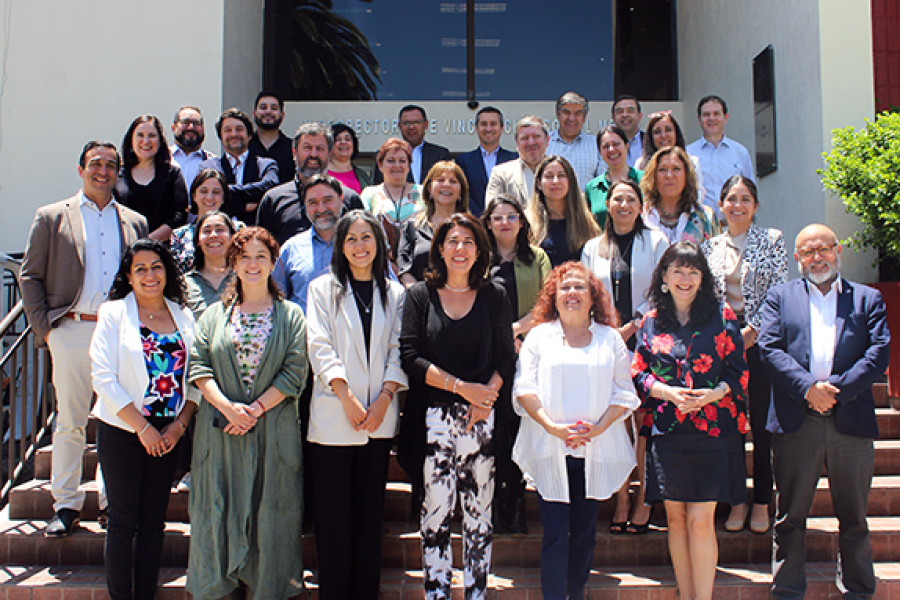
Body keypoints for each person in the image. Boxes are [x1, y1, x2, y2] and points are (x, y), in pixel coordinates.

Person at [20, 140, 148, 537]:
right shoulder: (53, 216)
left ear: (118, 172)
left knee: (118, 420)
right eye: (95, 164)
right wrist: (45, 329)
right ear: (81, 169)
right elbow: (30, 275)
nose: (103, 171)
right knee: (71, 420)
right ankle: (66, 504)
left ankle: (112, 504)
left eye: (110, 165)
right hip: (71, 328)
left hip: (118, 331)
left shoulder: (134, 221)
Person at [758, 224, 890, 599]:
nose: (817, 257)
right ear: (797, 258)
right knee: (790, 517)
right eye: (808, 251)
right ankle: (787, 590)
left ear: (838, 250)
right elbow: (769, 348)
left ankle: (859, 590)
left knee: (855, 517)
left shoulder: (867, 298)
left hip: (850, 420)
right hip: (796, 421)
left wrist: (836, 390)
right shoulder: (779, 297)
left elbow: (879, 352)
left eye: (824, 249)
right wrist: (808, 389)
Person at [399, 213, 516, 600]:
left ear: (480, 250)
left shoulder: (495, 295)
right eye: (452, 241)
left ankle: (476, 593)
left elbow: (506, 357)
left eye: (468, 241)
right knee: (435, 515)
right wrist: (462, 388)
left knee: (479, 515)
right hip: (433, 419)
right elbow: (410, 357)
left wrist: (487, 397)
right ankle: (437, 592)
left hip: (481, 419)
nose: (460, 248)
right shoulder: (420, 296)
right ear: (439, 249)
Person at [187, 226, 307, 600]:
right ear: (233, 264)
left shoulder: (292, 315)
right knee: (217, 514)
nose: (252, 264)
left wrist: (252, 411)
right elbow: (199, 367)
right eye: (244, 257)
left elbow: (294, 372)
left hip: (273, 434)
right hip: (220, 434)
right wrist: (229, 409)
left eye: (261, 256)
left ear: (273, 263)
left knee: (271, 517)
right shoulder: (213, 316)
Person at [513, 261, 639, 600]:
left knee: (584, 533)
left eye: (579, 286)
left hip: (595, 450)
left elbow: (623, 392)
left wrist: (599, 428)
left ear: (593, 295)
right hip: (551, 448)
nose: (572, 293)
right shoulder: (539, 337)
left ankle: (576, 593)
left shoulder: (610, 339)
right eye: (565, 287)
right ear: (553, 296)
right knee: (555, 532)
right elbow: (524, 388)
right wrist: (551, 426)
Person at [632, 241, 749, 600]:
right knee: (676, 520)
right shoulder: (650, 321)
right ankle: (686, 595)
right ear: (664, 277)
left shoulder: (721, 315)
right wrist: (667, 392)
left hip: (710, 431)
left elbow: (738, 371)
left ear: (703, 278)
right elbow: (638, 374)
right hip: (668, 431)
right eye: (677, 270)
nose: (685, 278)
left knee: (700, 521)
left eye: (693, 271)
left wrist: (712, 394)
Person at [306, 210, 407, 600]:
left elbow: (399, 348)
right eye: (351, 239)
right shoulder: (322, 289)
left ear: (379, 244)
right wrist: (346, 397)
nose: (360, 245)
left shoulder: (394, 293)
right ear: (340, 246)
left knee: (369, 521)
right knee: (333, 521)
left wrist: (385, 399)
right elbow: (319, 346)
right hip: (335, 416)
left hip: (378, 418)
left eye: (367, 237)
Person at [89, 238, 198, 600]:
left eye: (156, 267)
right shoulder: (113, 314)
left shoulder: (183, 314)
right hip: (124, 429)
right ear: (128, 276)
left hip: (168, 432)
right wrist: (143, 428)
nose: (150, 275)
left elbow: (196, 378)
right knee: (122, 522)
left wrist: (179, 425)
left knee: (154, 522)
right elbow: (103, 378)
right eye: (141, 269)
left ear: (167, 271)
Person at [701, 175, 788, 533]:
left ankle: (763, 502)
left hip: (761, 342)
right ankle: (737, 500)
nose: (737, 205)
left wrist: (753, 331)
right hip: (723, 345)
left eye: (745, 199)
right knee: (729, 427)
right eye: (731, 199)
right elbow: (705, 298)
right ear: (721, 205)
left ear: (755, 205)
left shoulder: (772, 240)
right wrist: (727, 337)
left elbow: (780, 292)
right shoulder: (708, 247)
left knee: (763, 427)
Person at [581, 179, 668, 534]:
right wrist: (607, 329)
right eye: (617, 199)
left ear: (641, 205)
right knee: (615, 420)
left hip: (647, 339)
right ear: (607, 204)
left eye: (631, 199)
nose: (623, 205)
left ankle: (644, 496)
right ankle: (621, 496)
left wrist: (633, 325)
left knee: (643, 422)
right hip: (606, 340)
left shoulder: (657, 241)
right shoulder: (592, 247)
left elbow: (664, 288)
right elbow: (586, 292)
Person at [482, 194, 551, 534]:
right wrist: (500, 336)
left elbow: (547, 301)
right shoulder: (480, 258)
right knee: (495, 433)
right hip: (487, 357)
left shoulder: (536, 257)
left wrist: (516, 330)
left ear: (522, 222)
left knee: (519, 426)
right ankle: (497, 503)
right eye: (498, 217)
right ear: (488, 223)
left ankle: (518, 503)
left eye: (511, 216)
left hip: (527, 353)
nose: (505, 222)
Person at [256, 122, 363, 245]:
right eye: (307, 148)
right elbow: (262, 247)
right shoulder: (273, 199)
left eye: (320, 149)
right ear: (294, 153)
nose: (313, 154)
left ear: (329, 154)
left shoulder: (349, 199)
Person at [273, 174, 346, 314]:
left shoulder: (361, 246)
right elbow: (277, 300)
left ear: (341, 199)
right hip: (304, 327)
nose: (321, 209)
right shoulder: (291, 249)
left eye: (328, 200)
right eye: (313, 203)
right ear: (304, 206)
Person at [115, 114, 189, 241]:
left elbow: (179, 216)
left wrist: (147, 242)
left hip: (162, 248)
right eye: (140, 135)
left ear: (160, 141)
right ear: (131, 140)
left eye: (152, 136)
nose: (146, 141)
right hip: (124, 247)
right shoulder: (117, 175)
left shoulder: (172, 174)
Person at [199, 108, 280, 224]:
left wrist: (223, 190)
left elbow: (269, 188)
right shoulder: (208, 167)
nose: (234, 134)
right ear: (221, 137)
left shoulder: (266, 165)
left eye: (239, 129)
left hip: (256, 230)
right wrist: (243, 206)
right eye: (228, 130)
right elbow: (207, 199)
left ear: (249, 135)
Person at [397, 161, 470, 285]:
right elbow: (404, 270)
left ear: (461, 192)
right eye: (440, 180)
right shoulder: (411, 227)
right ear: (429, 189)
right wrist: (419, 293)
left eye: (453, 181)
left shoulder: (472, 228)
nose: (446, 185)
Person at [686, 95, 755, 219]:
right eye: (706, 114)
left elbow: (750, 192)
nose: (711, 118)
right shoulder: (687, 153)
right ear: (699, 119)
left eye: (716, 113)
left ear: (726, 117)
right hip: (701, 225)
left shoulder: (740, 152)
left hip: (734, 223)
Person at [526, 156, 600, 267]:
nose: (555, 181)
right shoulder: (527, 223)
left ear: (570, 182)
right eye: (549, 176)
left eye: (561, 176)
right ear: (539, 184)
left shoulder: (586, 223)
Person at [360, 137, 424, 260]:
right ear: (380, 165)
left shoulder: (423, 193)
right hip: (379, 261)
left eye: (402, 161)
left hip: (417, 260)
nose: (397, 165)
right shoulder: (369, 194)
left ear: (409, 165)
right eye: (391, 160)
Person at [169, 169, 243, 272]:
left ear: (224, 197)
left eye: (216, 192)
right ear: (194, 196)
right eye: (203, 191)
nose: (209, 197)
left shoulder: (239, 230)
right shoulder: (179, 235)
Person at [641, 146, 718, 244]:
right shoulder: (641, 215)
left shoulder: (706, 217)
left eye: (676, 169)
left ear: (687, 175)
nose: (669, 175)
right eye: (663, 170)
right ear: (653, 176)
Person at [455, 106, 518, 216]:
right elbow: (463, 193)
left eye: (493, 124)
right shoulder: (463, 161)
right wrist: (481, 218)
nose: (488, 129)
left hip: (506, 220)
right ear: (476, 128)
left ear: (502, 128)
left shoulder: (514, 159)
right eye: (484, 124)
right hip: (474, 220)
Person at [373, 104, 451, 185]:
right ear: (399, 126)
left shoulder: (441, 155)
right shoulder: (386, 155)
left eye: (416, 122)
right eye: (406, 123)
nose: (411, 127)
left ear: (426, 125)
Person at [584, 126, 643, 228]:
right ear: (600, 152)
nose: (611, 149)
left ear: (627, 146)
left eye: (616, 144)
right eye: (605, 146)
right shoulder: (592, 187)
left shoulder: (645, 179)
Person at [486, 115, 550, 208]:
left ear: (547, 140)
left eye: (536, 136)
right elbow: (492, 210)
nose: (531, 142)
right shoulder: (500, 174)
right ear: (517, 143)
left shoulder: (560, 171)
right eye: (525, 138)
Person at [183, 211, 237, 319]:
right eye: (207, 231)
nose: (213, 235)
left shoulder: (244, 279)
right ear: (198, 240)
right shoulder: (184, 284)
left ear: (232, 237)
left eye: (220, 230)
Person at [547, 91, 602, 190]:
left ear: (584, 118)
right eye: (566, 112)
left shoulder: (596, 145)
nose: (571, 118)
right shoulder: (544, 143)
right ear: (557, 115)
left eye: (578, 113)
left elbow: (601, 184)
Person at [249, 91, 296, 183]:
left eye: (274, 108)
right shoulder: (244, 148)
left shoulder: (293, 149)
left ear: (282, 115)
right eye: (263, 107)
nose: (268, 111)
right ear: (254, 114)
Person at [169, 106, 216, 195]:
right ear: (173, 127)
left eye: (196, 123)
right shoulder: (162, 158)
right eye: (185, 122)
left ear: (203, 128)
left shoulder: (213, 163)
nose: (191, 127)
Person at [326, 123, 372, 193]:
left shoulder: (362, 175)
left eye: (347, 139)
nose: (343, 142)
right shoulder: (320, 174)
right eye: (338, 139)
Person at [611, 94, 644, 167]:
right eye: (620, 111)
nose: (625, 115)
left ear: (639, 116)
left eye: (630, 111)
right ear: (613, 118)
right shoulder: (607, 145)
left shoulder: (650, 141)